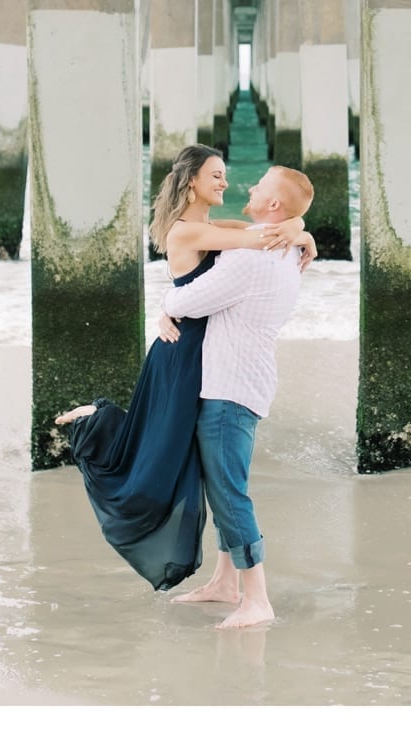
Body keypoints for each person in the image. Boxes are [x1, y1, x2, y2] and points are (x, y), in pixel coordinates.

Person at [53, 144, 315, 593]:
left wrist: (296, 226)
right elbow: (258, 237)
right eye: (215, 175)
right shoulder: (185, 232)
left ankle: (223, 581)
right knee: (158, 449)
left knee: (181, 455)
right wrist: (296, 228)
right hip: (183, 350)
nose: (226, 183)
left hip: (203, 350)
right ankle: (94, 419)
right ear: (191, 181)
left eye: (226, 175)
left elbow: (259, 230)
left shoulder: (209, 227)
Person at [156, 164, 315, 629]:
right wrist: (301, 230)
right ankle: (225, 583)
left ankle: (257, 599)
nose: (249, 186)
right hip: (246, 380)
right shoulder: (282, 248)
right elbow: (284, 228)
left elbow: (188, 301)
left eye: (260, 185)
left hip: (230, 386)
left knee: (228, 491)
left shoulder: (252, 257)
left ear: (273, 206)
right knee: (224, 483)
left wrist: (165, 307)